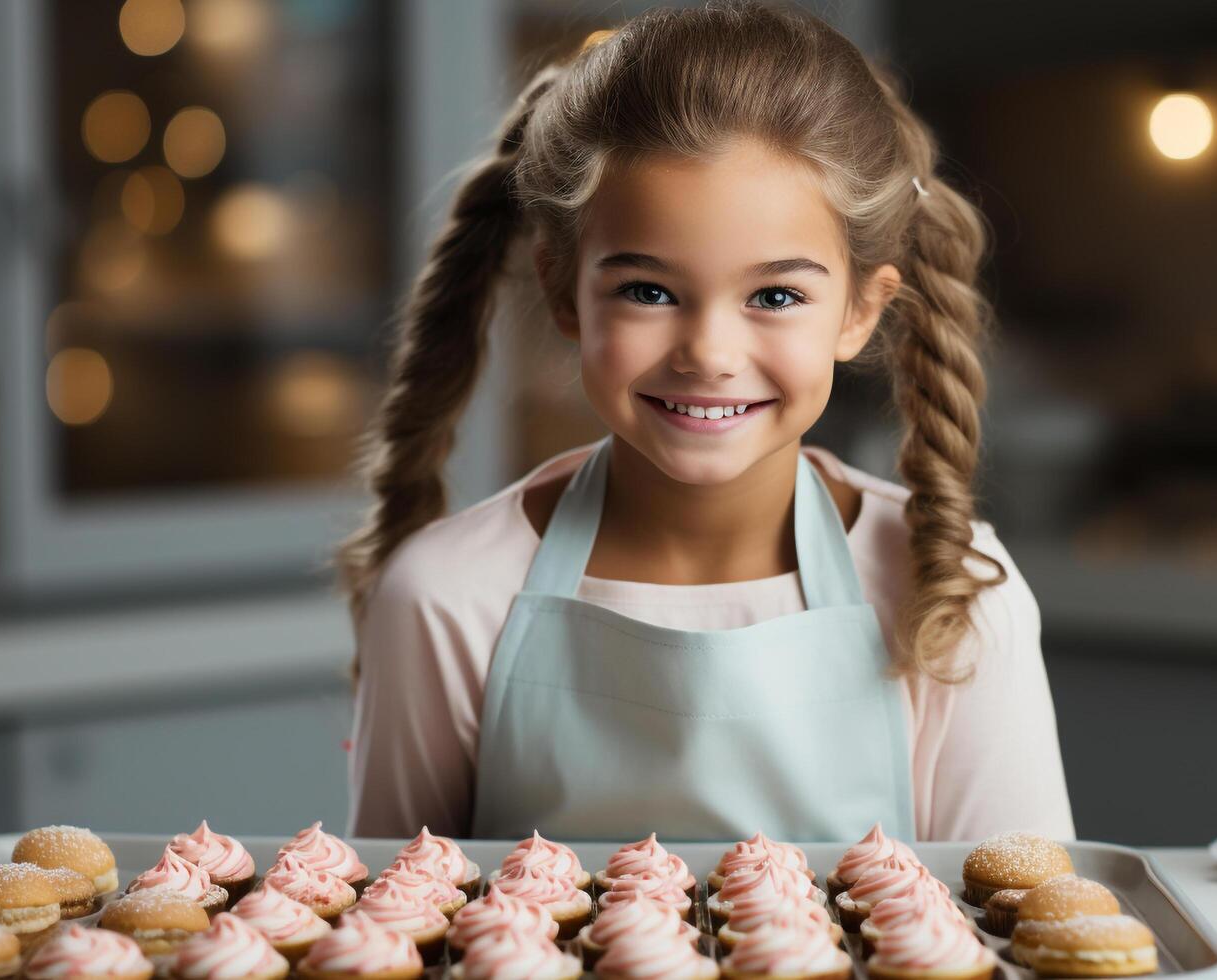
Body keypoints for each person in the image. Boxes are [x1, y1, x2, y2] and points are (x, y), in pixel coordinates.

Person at [337, 1, 1073, 843]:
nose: (709, 353)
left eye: (775, 296)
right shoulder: (449, 598)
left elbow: (1026, 924)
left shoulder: (951, 590)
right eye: (648, 291)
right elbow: (392, 938)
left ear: (860, 312)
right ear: (561, 289)